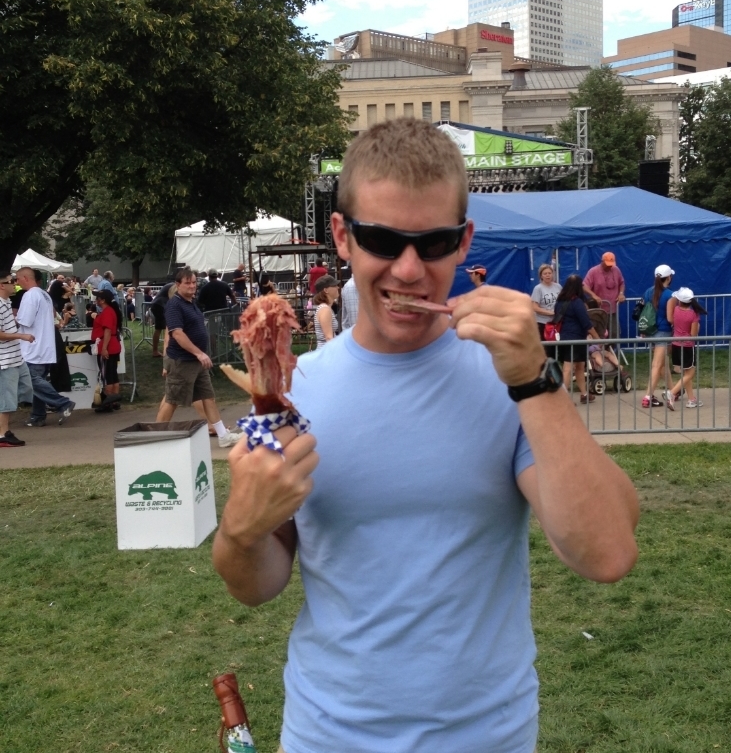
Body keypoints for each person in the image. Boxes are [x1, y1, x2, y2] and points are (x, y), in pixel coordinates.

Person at [212, 117, 639, 753]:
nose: (410, 270)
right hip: (329, 736)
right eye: (383, 239)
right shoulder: (292, 391)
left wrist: (533, 379)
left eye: (434, 242)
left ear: (464, 242)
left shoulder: (509, 380)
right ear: (342, 237)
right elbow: (255, 586)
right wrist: (240, 530)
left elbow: (606, 554)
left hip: (487, 739)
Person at [155, 268, 242, 448]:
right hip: (182, 361)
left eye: (194, 282)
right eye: (187, 283)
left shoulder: (191, 303)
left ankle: (223, 435)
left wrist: (201, 354)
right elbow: (177, 334)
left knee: (208, 397)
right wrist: (198, 353)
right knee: (172, 400)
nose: (192, 286)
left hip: (197, 362)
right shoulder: (174, 305)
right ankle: (156, 437)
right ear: (178, 285)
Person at [14, 267, 76, 427]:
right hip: (44, 345)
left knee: (32, 380)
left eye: (18, 278)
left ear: (26, 278)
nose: (16, 282)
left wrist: (8, 318)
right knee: (38, 380)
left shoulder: (30, 295)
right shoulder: (44, 295)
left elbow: (24, 321)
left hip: (34, 346)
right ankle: (38, 415)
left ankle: (62, 403)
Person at [0, 269, 34, 447]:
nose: (15, 283)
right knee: (7, 398)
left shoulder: (6, 302)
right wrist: (22, 336)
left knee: (26, 388)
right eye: (11, 281)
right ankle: (2, 434)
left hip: (16, 358)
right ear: (1, 285)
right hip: (5, 360)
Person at [553, 274, 600, 404]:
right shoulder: (577, 302)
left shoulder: (560, 301)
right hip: (576, 338)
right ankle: (563, 398)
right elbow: (586, 323)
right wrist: (598, 338)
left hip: (565, 336)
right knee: (569, 368)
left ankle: (584, 394)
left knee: (580, 365)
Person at [642, 264, 677, 410]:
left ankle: (672, 390)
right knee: (657, 364)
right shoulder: (670, 295)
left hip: (650, 330)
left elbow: (644, 311)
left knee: (663, 363)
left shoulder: (648, 292)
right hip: (663, 331)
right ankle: (648, 396)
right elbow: (670, 318)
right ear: (669, 277)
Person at [665, 287, 706, 409]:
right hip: (688, 346)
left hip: (676, 344)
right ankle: (672, 393)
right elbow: (693, 335)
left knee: (685, 373)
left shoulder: (676, 310)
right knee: (690, 373)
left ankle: (691, 399)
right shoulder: (693, 315)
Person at [91, 289, 123, 409]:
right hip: (112, 345)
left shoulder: (107, 312)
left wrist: (104, 348)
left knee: (107, 375)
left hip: (108, 346)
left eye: (97, 298)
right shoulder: (110, 311)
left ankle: (108, 401)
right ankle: (114, 399)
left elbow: (108, 330)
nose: (96, 300)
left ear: (103, 300)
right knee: (112, 374)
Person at [582, 252, 625, 339]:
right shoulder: (593, 271)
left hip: (613, 309)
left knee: (614, 333)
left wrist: (621, 294)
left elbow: (622, 283)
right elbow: (584, 286)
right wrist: (593, 295)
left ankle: (612, 351)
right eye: (607, 264)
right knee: (600, 334)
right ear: (602, 261)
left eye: (611, 264)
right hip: (598, 311)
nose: (609, 266)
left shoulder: (616, 270)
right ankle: (599, 350)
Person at [530, 263, 561, 357]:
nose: (548, 275)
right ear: (541, 276)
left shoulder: (558, 286)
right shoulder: (538, 289)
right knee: (546, 349)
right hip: (543, 323)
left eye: (549, 273)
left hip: (556, 322)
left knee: (556, 346)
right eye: (545, 273)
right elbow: (534, 307)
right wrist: (550, 312)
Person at [312, 275, 340, 348]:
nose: (338, 287)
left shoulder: (326, 308)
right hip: (326, 353)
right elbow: (329, 338)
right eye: (334, 285)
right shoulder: (325, 310)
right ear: (326, 290)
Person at [148, 282, 174, 357]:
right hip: (159, 306)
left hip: (158, 305)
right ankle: (159, 351)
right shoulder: (174, 286)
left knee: (161, 328)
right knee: (165, 328)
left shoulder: (171, 285)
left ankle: (157, 350)